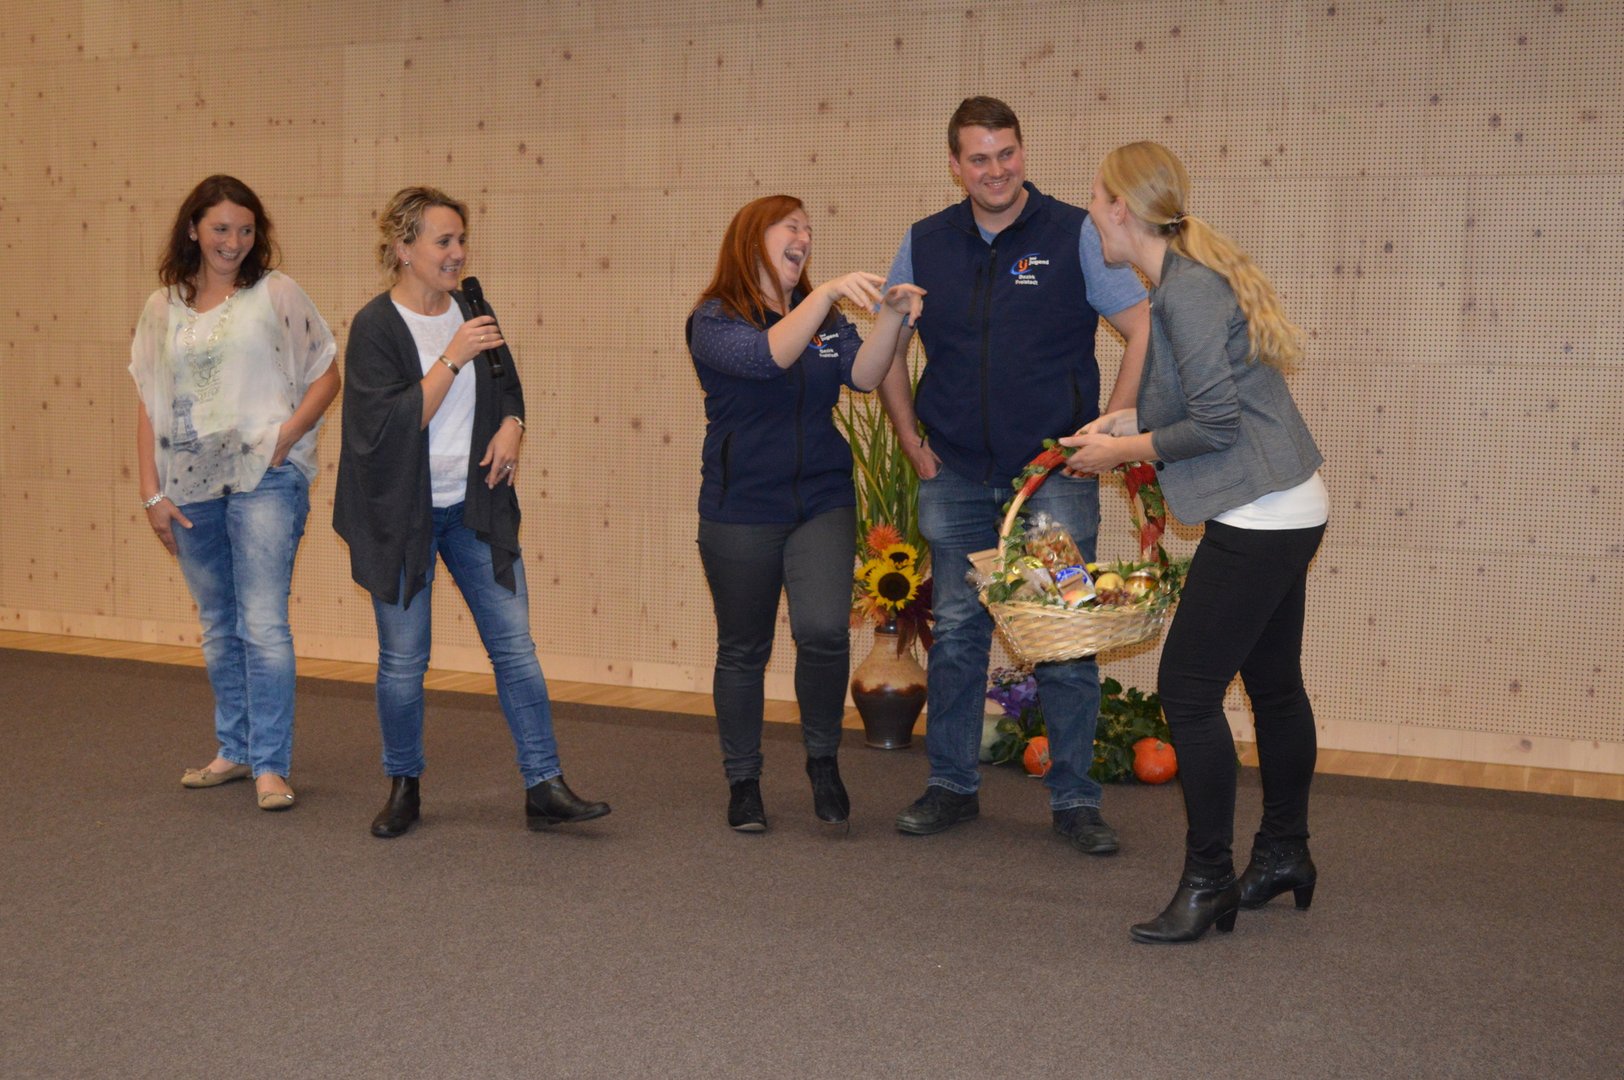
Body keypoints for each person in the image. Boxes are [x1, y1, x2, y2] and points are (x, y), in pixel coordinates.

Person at [1061, 141, 1328, 943]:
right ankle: (1283, 854)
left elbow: (1213, 424)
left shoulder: (1185, 294)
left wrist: (1119, 451)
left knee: (1186, 690)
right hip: (1284, 505)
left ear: (1120, 209)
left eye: (1095, 200)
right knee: (1273, 688)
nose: (1090, 216)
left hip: (1262, 516)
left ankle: (1210, 879)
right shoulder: (1181, 280)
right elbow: (1199, 401)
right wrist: (1120, 423)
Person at [875, 96, 1150, 850]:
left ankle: (1076, 800)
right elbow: (887, 345)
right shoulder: (925, 243)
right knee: (958, 634)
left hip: (1053, 479)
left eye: (1007, 154)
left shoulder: (1073, 233)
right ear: (955, 165)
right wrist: (909, 437)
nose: (995, 171)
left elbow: (1141, 326)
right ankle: (950, 786)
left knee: (1065, 632)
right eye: (979, 158)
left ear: (1022, 152)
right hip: (957, 475)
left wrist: (1107, 430)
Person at [334, 186, 609, 839]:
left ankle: (544, 785)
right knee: (405, 661)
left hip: (474, 506)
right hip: (401, 517)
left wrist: (514, 424)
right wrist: (452, 356)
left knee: (515, 650)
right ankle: (404, 785)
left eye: (461, 240)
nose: (458, 252)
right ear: (403, 249)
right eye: (444, 241)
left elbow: (508, 385)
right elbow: (389, 427)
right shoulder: (376, 326)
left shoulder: (473, 305)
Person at [688, 194, 925, 832]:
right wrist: (823, 297)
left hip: (821, 497)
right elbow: (765, 357)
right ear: (751, 240)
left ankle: (823, 762)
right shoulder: (714, 319)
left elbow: (865, 375)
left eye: (809, 230)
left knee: (823, 631)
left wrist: (892, 318)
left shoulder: (825, 319)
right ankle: (744, 781)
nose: (805, 238)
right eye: (790, 227)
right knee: (744, 648)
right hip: (741, 508)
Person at [130, 174, 340, 811]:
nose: (234, 241)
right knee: (219, 625)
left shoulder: (276, 293)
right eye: (221, 228)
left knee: (263, 623)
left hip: (267, 478)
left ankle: (271, 764)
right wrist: (152, 494)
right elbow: (148, 403)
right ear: (194, 229)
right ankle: (236, 749)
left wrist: (288, 435)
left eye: (246, 230)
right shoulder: (161, 308)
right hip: (190, 485)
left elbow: (327, 374)